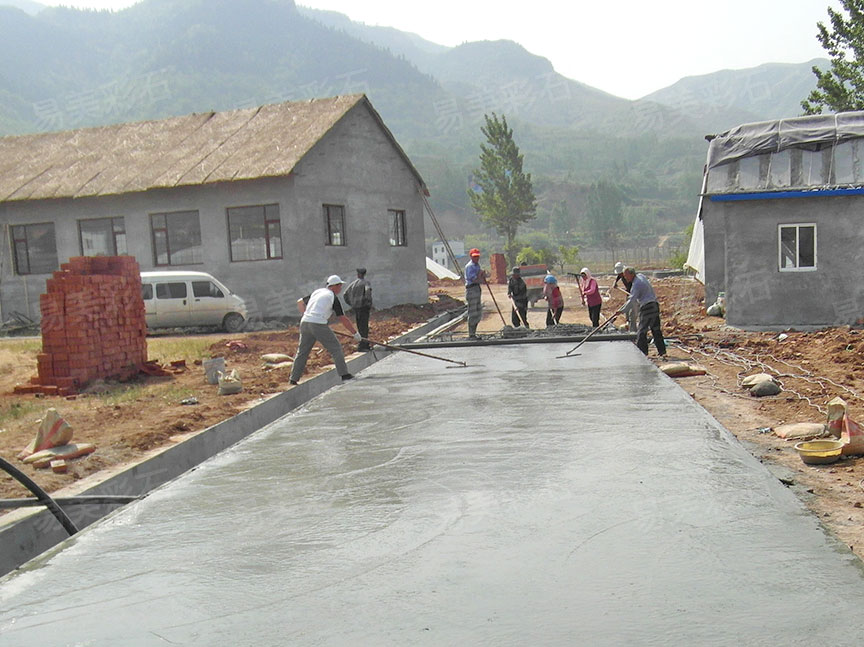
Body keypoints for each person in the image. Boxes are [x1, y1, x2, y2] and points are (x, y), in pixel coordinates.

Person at [289, 275, 362, 385]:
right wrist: (355, 333)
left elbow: (300, 302)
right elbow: (343, 318)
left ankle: (293, 379)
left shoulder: (318, 292)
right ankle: (344, 375)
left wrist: (307, 315)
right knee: (336, 348)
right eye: (340, 286)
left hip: (305, 323)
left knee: (302, 352)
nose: (340, 289)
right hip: (318, 324)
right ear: (334, 286)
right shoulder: (333, 297)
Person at [622, 267, 666, 357]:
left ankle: (642, 354)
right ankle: (662, 352)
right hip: (654, 305)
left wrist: (622, 310)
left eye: (626, 276)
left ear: (631, 274)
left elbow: (632, 300)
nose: (626, 279)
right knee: (656, 329)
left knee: (642, 331)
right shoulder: (641, 276)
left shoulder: (636, 284)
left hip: (647, 307)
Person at [343, 267, 373, 351]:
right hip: (363, 308)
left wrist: (351, 304)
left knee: (360, 326)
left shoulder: (353, 284)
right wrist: (369, 303)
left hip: (356, 308)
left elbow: (345, 294)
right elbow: (368, 293)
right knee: (364, 327)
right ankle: (363, 345)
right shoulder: (366, 283)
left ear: (358, 274)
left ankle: (363, 343)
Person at [464, 248, 486, 339]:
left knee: (478, 313)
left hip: (477, 289)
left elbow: (479, 279)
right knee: (473, 312)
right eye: (474, 257)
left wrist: (482, 275)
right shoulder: (470, 266)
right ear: (471, 256)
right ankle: (471, 334)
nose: (476, 258)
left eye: (477, 256)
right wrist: (480, 275)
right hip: (471, 289)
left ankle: (474, 333)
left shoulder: (477, 265)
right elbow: (474, 279)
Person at [612, 261, 637, 332]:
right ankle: (628, 321)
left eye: (621, 274)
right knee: (627, 308)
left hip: (633, 293)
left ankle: (633, 327)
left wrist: (621, 311)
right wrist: (615, 283)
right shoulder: (620, 275)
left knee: (632, 310)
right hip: (628, 293)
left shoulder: (629, 275)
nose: (621, 275)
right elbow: (617, 278)